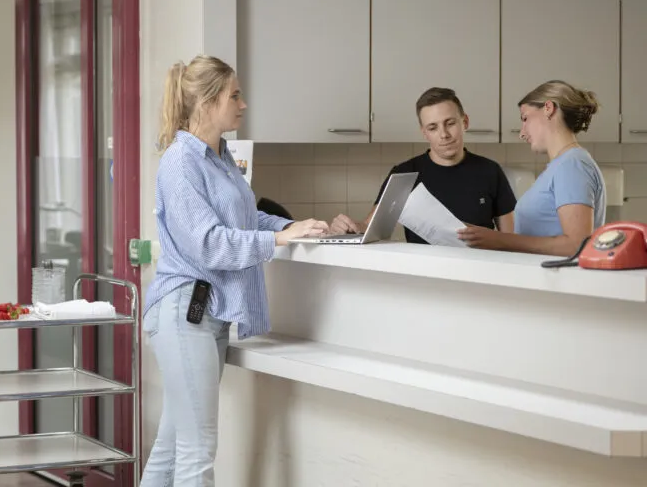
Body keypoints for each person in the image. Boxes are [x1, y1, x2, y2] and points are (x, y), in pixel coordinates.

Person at [140, 55, 329, 487]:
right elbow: (209, 243)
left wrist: (290, 227)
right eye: (234, 96)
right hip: (183, 314)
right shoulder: (180, 162)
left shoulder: (220, 157)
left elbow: (243, 218)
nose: (243, 105)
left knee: (172, 447)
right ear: (207, 102)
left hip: (210, 316)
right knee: (197, 450)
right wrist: (276, 241)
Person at [330, 87, 516, 242]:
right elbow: (370, 230)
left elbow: (510, 239)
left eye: (450, 123)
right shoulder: (404, 174)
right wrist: (350, 228)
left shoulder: (490, 171)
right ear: (424, 133)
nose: (444, 135)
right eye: (433, 127)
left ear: (464, 122)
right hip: (422, 271)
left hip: (479, 268)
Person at [457, 80, 606, 256]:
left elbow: (576, 245)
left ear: (548, 108)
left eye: (525, 118)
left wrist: (499, 240)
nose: (522, 133)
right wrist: (477, 235)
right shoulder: (561, 165)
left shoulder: (572, 165)